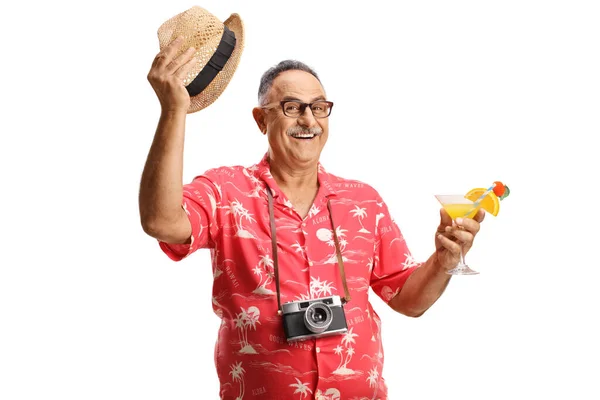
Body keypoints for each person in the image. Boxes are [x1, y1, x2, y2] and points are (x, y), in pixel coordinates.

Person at [140, 38, 485, 400]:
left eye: (319, 108)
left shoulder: (362, 200)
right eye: (292, 107)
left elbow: (409, 300)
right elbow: (161, 221)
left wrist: (444, 261)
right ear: (262, 119)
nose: (309, 120)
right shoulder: (226, 190)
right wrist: (173, 112)